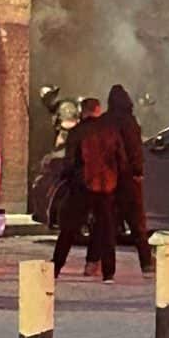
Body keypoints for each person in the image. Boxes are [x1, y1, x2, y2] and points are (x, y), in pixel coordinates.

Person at [51, 98, 126, 283]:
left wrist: (66, 179)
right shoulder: (110, 131)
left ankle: (56, 266)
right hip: (106, 185)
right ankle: (108, 272)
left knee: (69, 228)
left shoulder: (78, 132)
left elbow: (70, 161)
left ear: (83, 111)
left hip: (82, 185)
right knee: (106, 229)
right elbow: (121, 159)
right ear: (98, 110)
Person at [106, 84, 154, 276]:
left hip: (109, 179)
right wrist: (137, 172)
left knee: (107, 225)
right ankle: (146, 263)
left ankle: (101, 267)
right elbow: (135, 150)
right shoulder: (130, 122)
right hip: (128, 180)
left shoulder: (106, 121)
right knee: (137, 225)